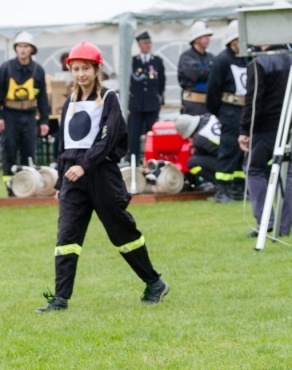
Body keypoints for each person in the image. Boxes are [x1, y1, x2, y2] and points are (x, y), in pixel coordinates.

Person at [36, 42, 169, 313]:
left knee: (122, 232)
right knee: (67, 236)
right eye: (76, 69)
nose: (81, 73)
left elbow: (108, 139)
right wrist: (61, 182)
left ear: (97, 69)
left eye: (86, 68)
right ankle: (60, 299)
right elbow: (63, 145)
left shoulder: (109, 98)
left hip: (102, 175)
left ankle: (154, 283)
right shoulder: (69, 102)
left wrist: (85, 165)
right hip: (73, 176)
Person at [239, 45, 292, 237]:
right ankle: (284, 225)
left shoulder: (258, 63)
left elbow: (253, 100)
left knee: (254, 170)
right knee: (285, 174)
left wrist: (245, 129)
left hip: (264, 126)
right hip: (290, 124)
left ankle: (266, 221)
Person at [0, 31, 50, 197]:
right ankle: (10, 187)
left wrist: (44, 120)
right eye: (19, 46)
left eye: (26, 46)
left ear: (32, 49)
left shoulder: (38, 70)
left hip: (29, 116)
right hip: (9, 115)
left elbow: (42, 97)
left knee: (29, 152)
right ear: (16, 48)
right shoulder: (6, 67)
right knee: (9, 151)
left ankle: (28, 186)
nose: (22, 49)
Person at [206, 20, 248, 202]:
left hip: (245, 110)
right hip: (229, 110)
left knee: (242, 151)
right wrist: (219, 112)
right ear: (232, 41)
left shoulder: (247, 58)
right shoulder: (222, 60)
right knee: (228, 149)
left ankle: (238, 187)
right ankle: (222, 190)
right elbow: (213, 91)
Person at [128, 31, 166, 162]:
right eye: (144, 43)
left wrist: (159, 97)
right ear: (139, 45)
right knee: (134, 134)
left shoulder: (157, 61)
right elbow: (129, 82)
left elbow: (162, 81)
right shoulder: (133, 61)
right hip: (136, 104)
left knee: (152, 132)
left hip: (151, 103)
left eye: (149, 42)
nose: (147, 45)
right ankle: (133, 159)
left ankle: (152, 159)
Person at [178, 21, 216, 116]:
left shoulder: (211, 57)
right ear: (196, 39)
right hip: (193, 106)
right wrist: (212, 71)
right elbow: (197, 74)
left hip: (209, 105)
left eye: (208, 36)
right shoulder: (186, 57)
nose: (208, 39)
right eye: (204, 36)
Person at [175, 113, 219, 192]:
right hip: (239, 154)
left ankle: (221, 185)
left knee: (192, 163)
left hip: (229, 162)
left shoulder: (199, 139)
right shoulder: (209, 117)